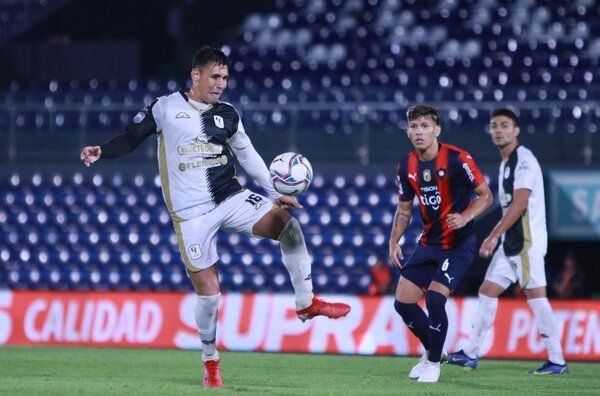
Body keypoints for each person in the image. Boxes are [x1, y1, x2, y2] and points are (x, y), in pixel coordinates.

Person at [80, 46, 351, 388]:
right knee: (209, 294)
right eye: (215, 76)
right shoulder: (165, 108)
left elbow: (249, 155)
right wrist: (102, 151)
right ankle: (210, 362)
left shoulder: (229, 114)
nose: (221, 83)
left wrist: (273, 192)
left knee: (288, 226)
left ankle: (305, 302)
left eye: (225, 77)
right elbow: (132, 137)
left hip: (230, 197)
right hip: (190, 214)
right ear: (196, 75)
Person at [447, 108, 569, 374]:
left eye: (504, 125)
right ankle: (470, 353)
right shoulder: (506, 163)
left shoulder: (524, 159)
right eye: (494, 126)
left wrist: (493, 236)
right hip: (511, 244)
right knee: (487, 291)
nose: (498, 130)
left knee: (537, 297)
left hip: (526, 242)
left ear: (516, 131)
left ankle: (557, 359)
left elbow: (520, 203)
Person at [389, 104, 493, 383]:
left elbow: (486, 195)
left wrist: (466, 215)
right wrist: (393, 242)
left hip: (458, 244)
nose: (419, 131)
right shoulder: (405, 166)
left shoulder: (459, 159)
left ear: (437, 129)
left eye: (425, 126)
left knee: (435, 298)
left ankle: (433, 363)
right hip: (429, 243)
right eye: (414, 126)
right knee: (403, 303)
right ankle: (433, 350)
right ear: (408, 131)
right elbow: (404, 209)